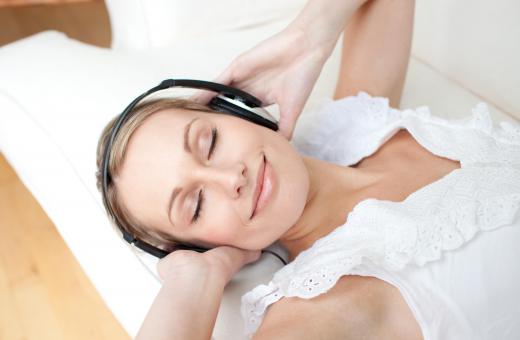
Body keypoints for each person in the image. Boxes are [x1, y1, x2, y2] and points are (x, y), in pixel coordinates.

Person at [95, 0, 520, 339]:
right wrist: (192, 284)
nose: (231, 179)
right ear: (202, 244)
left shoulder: (353, 126)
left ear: (235, 109)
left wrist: (307, 38)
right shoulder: (329, 302)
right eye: (196, 205)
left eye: (209, 142)